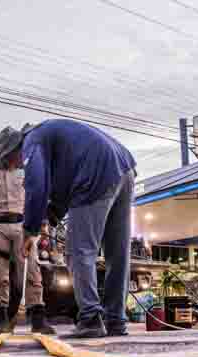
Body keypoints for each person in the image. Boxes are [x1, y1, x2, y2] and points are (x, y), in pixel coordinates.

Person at [16, 119, 136, 339]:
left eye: (17, 163)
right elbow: (62, 189)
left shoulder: (32, 140)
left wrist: (30, 229)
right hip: (124, 170)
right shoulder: (56, 136)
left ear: (16, 147)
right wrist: (49, 218)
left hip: (95, 174)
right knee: (117, 254)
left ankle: (90, 319)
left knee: (79, 251)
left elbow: (36, 186)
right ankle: (115, 320)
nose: (19, 166)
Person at [0, 127, 56, 335]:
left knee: (32, 272)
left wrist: (42, 224)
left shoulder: (26, 172)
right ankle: (1, 320)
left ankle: (38, 320)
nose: (17, 155)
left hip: (23, 228)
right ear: (3, 152)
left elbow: (37, 197)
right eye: (14, 151)